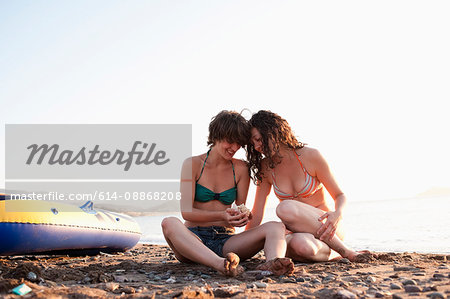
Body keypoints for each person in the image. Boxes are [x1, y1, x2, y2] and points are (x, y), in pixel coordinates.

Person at [161, 110, 294, 276]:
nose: (235, 148)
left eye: (239, 143)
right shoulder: (192, 164)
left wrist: (243, 217)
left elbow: (240, 208)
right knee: (169, 222)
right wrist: (222, 215)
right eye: (230, 141)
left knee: (276, 227)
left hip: (227, 242)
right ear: (216, 135)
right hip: (193, 240)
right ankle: (219, 264)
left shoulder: (241, 168)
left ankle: (273, 262)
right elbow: (186, 213)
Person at [245, 110, 370, 262]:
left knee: (285, 208)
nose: (257, 146)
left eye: (259, 139)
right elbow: (257, 213)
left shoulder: (310, 156)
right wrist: (243, 245)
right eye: (253, 143)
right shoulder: (265, 167)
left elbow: (340, 195)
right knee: (301, 246)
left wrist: (337, 214)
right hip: (298, 233)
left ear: (274, 131)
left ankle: (346, 250)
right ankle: (335, 254)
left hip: (327, 225)